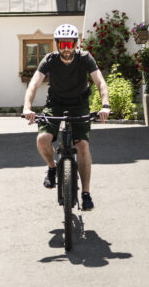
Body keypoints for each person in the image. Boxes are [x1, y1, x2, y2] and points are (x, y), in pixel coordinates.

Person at [22, 23, 110, 210]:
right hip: (55, 104)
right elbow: (34, 84)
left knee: (83, 145)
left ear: (76, 44)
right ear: (57, 45)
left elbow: (100, 82)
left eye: (70, 44)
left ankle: (85, 193)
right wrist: (27, 107)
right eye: (63, 44)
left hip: (79, 104)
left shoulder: (85, 58)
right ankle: (52, 167)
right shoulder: (50, 59)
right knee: (42, 139)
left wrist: (105, 105)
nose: (67, 48)